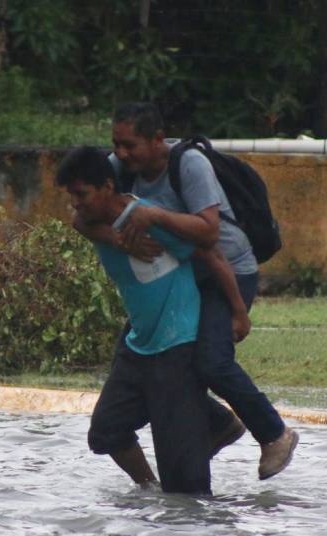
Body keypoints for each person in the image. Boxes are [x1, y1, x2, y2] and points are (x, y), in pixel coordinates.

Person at [73, 102, 298, 481]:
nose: (121, 154)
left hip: (227, 269)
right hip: (187, 271)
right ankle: (217, 425)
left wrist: (155, 215)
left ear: (158, 140)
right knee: (138, 350)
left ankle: (275, 434)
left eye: (130, 145)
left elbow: (209, 234)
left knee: (211, 359)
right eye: (116, 144)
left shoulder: (190, 164)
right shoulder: (118, 167)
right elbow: (80, 217)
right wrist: (119, 240)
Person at [56, 145, 231, 494]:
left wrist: (238, 312)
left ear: (107, 187)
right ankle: (148, 490)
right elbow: (79, 222)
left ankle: (216, 426)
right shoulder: (95, 222)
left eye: (82, 194)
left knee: (186, 487)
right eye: (71, 195)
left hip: (176, 344)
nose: (76, 203)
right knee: (106, 431)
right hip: (139, 346)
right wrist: (118, 241)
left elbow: (209, 253)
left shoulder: (144, 216)